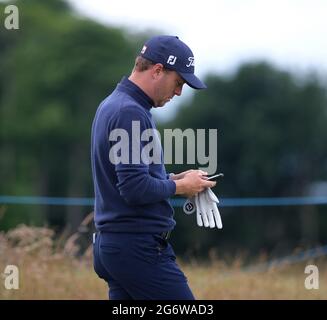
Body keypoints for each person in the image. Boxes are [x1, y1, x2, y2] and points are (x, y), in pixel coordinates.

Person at [91, 35, 216, 300]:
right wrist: (181, 187)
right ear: (158, 70)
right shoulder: (130, 112)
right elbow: (134, 189)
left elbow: (127, 177)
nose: (179, 92)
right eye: (179, 82)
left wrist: (171, 177)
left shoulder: (115, 104)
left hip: (116, 246)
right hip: (136, 248)